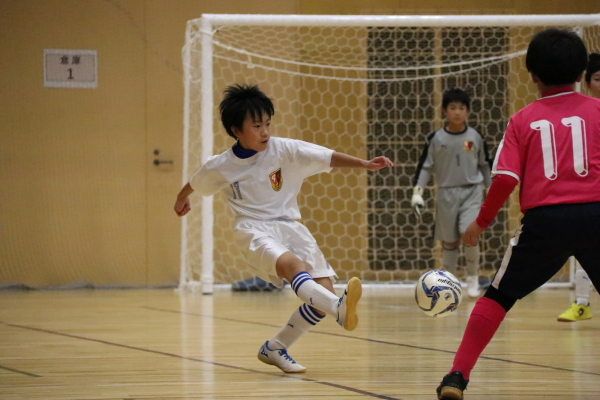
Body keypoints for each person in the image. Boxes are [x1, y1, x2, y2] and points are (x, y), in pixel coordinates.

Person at [174, 84, 393, 373]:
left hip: (290, 227)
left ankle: (275, 348)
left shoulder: (284, 149)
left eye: (267, 124)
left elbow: (326, 156)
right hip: (253, 230)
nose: (265, 131)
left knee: (321, 297)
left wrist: (364, 164)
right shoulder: (221, 165)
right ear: (236, 130)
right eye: (256, 126)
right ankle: (339, 309)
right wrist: (181, 197)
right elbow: (196, 181)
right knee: (294, 266)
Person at [436, 29, 600, 400]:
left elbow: (506, 178)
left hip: (545, 223)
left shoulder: (522, 119)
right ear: (581, 73)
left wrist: (480, 222)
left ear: (533, 75)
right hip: (596, 214)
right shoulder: (598, 111)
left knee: (497, 296)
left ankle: (456, 377)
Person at [411, 88, 492, 298]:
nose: (457, 112)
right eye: (452, 107)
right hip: (446, 193)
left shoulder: (475, 137)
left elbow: (485, 164)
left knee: (469, 232)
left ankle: (473, 277)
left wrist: (491, 188)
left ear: (467, 111)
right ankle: (449, 282)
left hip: (472, 191)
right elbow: (425, 167)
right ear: (445, 111)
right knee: (449, 241)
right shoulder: (436, 138)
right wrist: (418, 192)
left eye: (461, 108)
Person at [556, 52, 600, 323]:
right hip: (590, 196)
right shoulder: (580, 114)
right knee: (589, 248)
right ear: (586, 82)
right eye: (598, 78)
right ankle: (582, 303)